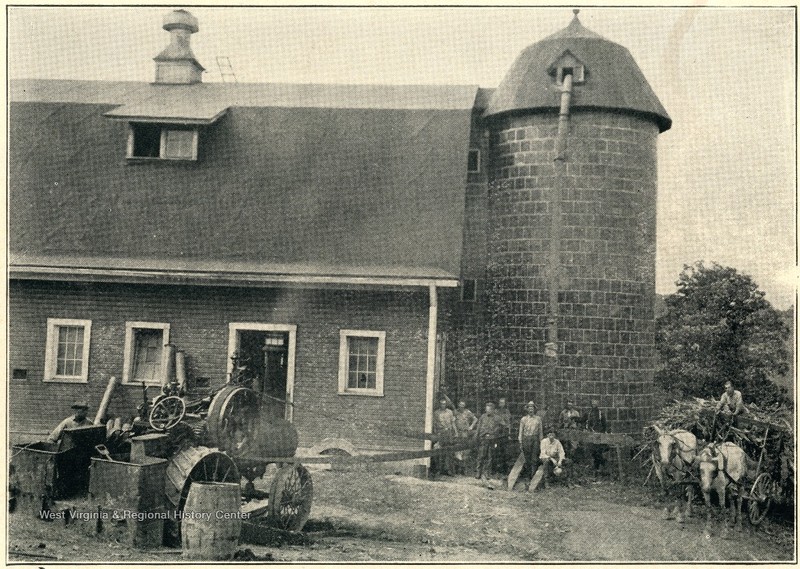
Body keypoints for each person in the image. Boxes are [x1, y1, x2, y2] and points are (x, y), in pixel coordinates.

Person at [475, 401, 503, 481]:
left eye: (489, 410)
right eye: (486, 409)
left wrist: (495, 431)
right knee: (481, 456)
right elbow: (478, 427)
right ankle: (478, 472)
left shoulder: (497, 418)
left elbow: (503, 425)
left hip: (492, 439)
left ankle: (486, 473)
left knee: (489, 457)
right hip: (483, 439)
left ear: (493, 410)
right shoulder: (483, 417)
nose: (487, 411)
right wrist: (477, 436)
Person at [518, 401, 543, 482]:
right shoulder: (523, 419)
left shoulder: (538, 419)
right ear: (527, 409)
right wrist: (521, 442)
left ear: (534, 409)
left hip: (535, 439)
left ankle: (533, 476)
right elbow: (520, 432)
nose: (531, 410)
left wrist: (541, 442)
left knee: (534, 459)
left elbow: (540, 432)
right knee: (527, 459)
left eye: (532, 408)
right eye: (529, 408)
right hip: (526, 439)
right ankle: (527, 476)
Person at [431, 397, 457, 477]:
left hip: (448, 433)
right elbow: (434, 424)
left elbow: (453, 423)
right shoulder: (436, 413)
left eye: (444, 404)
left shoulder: (449, 412)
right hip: (440, 433)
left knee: (449, 451)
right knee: (438, 450)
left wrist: (456, 432)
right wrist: (436, 433)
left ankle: (449, 470)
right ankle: (438, 469)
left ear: (446, 404)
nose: (443, 405)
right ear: (439, 404)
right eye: (442, 404)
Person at [453, 400, 478, 474]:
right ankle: (457, 468)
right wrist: (455, 431)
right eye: (460, 405)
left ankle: (463, 469)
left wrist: (471, 426)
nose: (461, 406)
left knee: (464, 449)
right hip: (458, 432)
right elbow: (453, 422)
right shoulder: (456, 412)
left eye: (463, 405)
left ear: (465, 406)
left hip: (465, 432)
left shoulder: (467, 412)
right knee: (457, 449)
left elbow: (475, 419)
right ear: (458, 405)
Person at [584, 399, 607, 471]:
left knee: (598, 451)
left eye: (595, 403)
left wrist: (602, 433)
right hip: (592, 434)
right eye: (592, 403)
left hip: (599, 435)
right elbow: (584, 420)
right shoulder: (589, 413)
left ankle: (600, 465)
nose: (594, 405)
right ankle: (599, 466)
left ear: (597, 404)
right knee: (593, 451)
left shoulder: (600, 413)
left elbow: (604, 424)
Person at [494, 397, 512, 475]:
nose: (501, 404)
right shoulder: (496, 411)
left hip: (504, 434)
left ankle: (504, 470)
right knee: (496, 451)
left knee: (504, 452)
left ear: (505, 403)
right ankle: (495, 469)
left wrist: (509, 434)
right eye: (500, 402)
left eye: (503, 402)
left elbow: (508, 423)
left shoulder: (507, 412)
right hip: (496, 434)